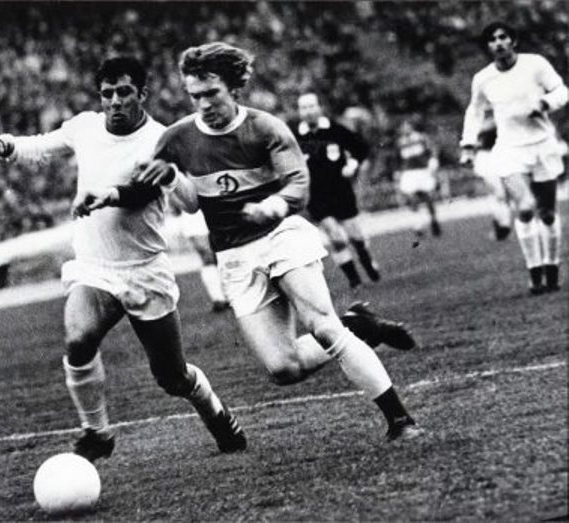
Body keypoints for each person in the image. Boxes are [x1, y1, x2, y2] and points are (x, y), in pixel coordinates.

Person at [132, 43, 423, 441]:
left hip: (281, 234)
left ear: (234, 88)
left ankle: (400, 420)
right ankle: (360, 326)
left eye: (212, 93)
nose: (203, 104)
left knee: (323, 327)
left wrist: (275, 204)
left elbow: (299, 185)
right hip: (233, 254)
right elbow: (192, 203)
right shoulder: (177, 139)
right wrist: (169, 178)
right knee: (284, 369)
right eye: (195, 95)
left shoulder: (266, 128)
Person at [0, 57, 247, 462]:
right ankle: (97, 432)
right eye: (107, 94)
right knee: (78, 338)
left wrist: (116, 193)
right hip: (95, 268)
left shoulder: (161, 140)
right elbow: (43, 145)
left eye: (124, 92)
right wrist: (5, 145)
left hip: (145, 271)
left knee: (172, 377)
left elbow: (156, 194)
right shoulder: (86, 126)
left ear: (142, 94)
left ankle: (218, 415)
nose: (115, 101)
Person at [460, 21, 567, 294]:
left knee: (547, 214)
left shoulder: (535, 64)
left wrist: (545, 103)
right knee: (526, 207)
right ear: (488, 47)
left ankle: (551, 269)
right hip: (510, 149)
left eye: (502, 37)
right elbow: (475, 111)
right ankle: (534, 274)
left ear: (513, 41)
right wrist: (468, 144)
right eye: (492, 40)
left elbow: (562, 90)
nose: (498, 43)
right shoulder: (483, 79)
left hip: (542, 145)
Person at [293, 92, 381, 290]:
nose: (308, 111)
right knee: (335, 237)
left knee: (355, 235)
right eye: (303, 107)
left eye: (311, 106)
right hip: (315, 194)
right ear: (299, 112)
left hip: (340, 190)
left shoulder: (335, 129)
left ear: (319, 108)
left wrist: (353, 164)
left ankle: (366, 259)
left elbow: (361, 148)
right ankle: (354, 280)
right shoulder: (295, 136)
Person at [172, 205, 230, 312]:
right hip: (194, 219)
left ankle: (224, 296)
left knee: (216, 256)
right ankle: (218, 299)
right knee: (208, 258)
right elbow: (174, 206)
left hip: (208, 215)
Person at [394, 119, 442, 242]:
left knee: (428, 198)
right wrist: (398, 172)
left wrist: (433, 161)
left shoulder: (421, 137)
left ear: (411, 127)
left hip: (422, 171)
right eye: (403, 127)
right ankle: (418, 225)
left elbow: (433, 149)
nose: (405, 129)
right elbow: (398, 159)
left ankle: (434, 221)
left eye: (407, 126)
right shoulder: (400, 142)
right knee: (411, 199)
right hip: (409, 173)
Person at [470, 112, 513, 241]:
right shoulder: (488, 123)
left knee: (499, 195)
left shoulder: (483, 123)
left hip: (495, 157)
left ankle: (502, 225)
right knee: (498, 194)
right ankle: (502, 225)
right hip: (487, 158)